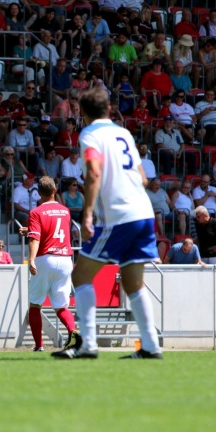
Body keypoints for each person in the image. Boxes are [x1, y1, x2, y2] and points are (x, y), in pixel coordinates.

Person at [52, 87, 162, 360]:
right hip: (143, 213)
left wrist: (87, 213)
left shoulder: (90, 134)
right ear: (109, 110)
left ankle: (88, 344)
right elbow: (143, 178)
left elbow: (93, 172)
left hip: (117, 216)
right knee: (133, 283)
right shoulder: (123, 133)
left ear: (81, 111)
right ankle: (150, 346)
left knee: (80, 277)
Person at [18, 176, 78, 352]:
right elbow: (54, 229)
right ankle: (73, 332)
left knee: (35, 304)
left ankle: (39, 346)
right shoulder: (65, 211)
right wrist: (31, 229)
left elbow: (35, 238)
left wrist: (32, 259)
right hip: (66, 259)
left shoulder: (36, 212)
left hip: (46, 258)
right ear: (55, 190)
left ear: (38, 193)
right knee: (61, 306)